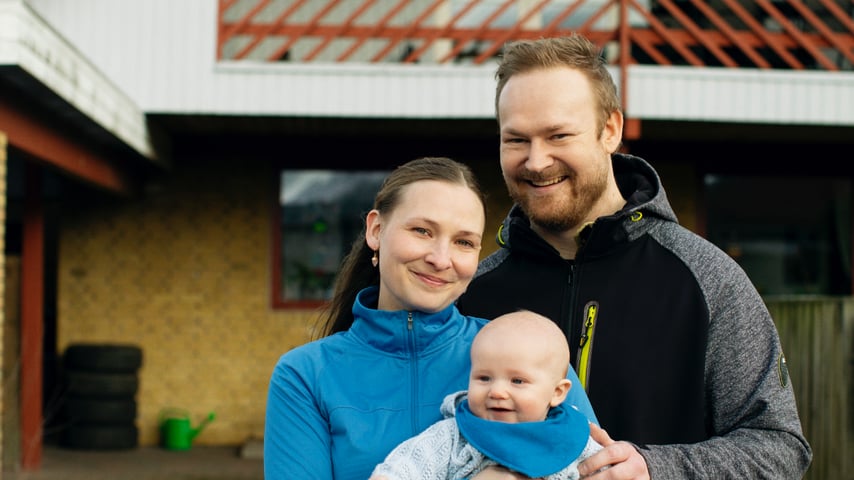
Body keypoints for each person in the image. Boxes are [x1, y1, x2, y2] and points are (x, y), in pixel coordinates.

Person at [455, 34, 812, 479]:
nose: (536, 160)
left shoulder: (708, 280)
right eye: (516, 140)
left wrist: (656, 469)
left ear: (610, 130)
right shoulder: (471, 292)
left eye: (558, 135)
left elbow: (780, 448)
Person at [263, 156, 596, 480]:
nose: (440, 259)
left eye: (463, 242)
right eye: (422, 231)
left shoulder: (529, 355)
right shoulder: (305, 376)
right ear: (376, 230)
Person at [370, 310, 602, 480]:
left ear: (557, 392)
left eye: (517, 381)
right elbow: (407, 466)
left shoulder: (574, 436)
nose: (497, 391)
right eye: (484, 378)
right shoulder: (456, 435)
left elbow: (607, 469)